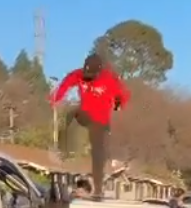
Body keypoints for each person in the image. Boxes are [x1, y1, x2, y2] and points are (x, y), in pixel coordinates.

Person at [50, 53, 131, 198]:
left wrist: (119, 103)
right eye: (86, 76)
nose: (87, 79)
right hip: (85, 114)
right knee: (71, 112)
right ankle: (63, 148)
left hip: (101, 121)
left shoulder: (109, 79)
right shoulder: (78, 74)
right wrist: (57, 97)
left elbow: (123, 95)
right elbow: (66, 83)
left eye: (91, 76)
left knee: (98, 154)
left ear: (99, 72)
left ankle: (98, 189)